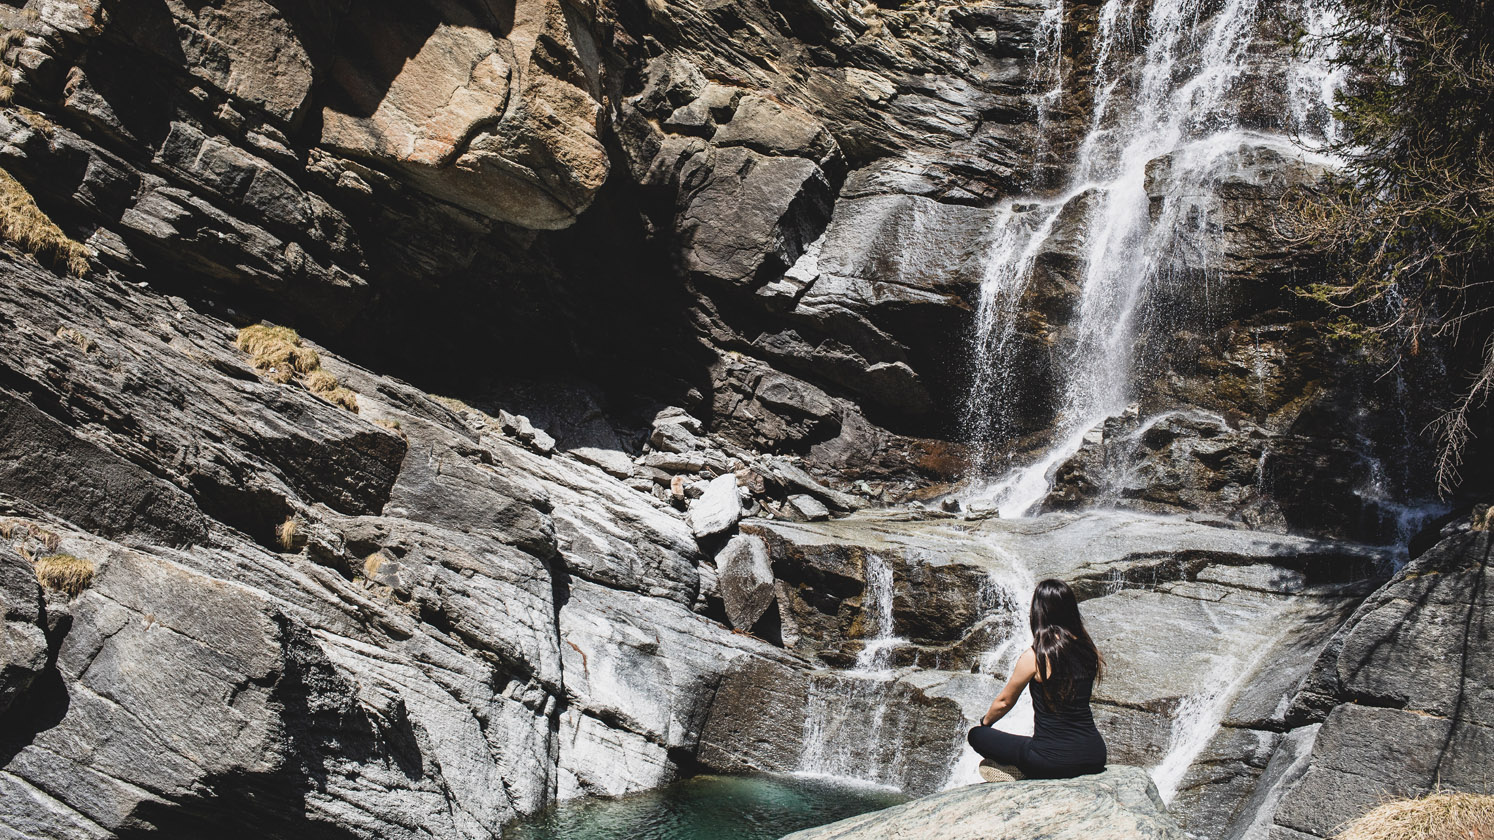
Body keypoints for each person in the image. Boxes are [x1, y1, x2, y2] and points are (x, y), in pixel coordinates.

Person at [967, 578, 1107, 780]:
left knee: (976, 735)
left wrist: (985, 723)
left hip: (1052, 761)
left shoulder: (1036, 657)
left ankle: (1018, 771)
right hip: (1094, 755)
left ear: (1039, 613)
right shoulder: (1088, 650)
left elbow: (1005, 702)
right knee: (1034, 744)